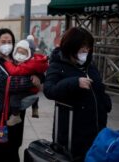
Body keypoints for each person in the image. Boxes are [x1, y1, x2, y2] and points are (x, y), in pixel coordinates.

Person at [43, 27, 112, 161]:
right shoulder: (57, 65)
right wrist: (74, 82)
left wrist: (105, 102)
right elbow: (49, 90)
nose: (85, 52)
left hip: (97, 131)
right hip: (71, 134)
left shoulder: (90, 65)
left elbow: (99, 87)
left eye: (88, 48)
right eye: (82, 48)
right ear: (71, 47)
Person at [0, 28, 41, 162]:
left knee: (15, 142)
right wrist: (31, 81)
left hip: (18, 110)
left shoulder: (18, 58)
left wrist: (38, 77)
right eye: (3, 41)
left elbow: (36, 71)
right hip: (1, 110)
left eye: (10, 41)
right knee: (2, 143)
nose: (7, 44)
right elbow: (6, 83)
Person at [3, 39, 48, 126]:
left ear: (29, 54)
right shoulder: (26, 61)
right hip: (31, 88)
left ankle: (16, 115)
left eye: (23, 53)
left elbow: (15, 71)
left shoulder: (28, 64)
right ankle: (35, 106)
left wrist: (7, 63)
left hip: (27, 89)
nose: (20, 55)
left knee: (14, 98)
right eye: (18, 52)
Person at [27, 34, 40, 118]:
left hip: (28, 73)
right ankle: (35, 108)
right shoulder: (35, 48)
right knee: (34, 92)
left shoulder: (25, 45)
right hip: (34, 74)